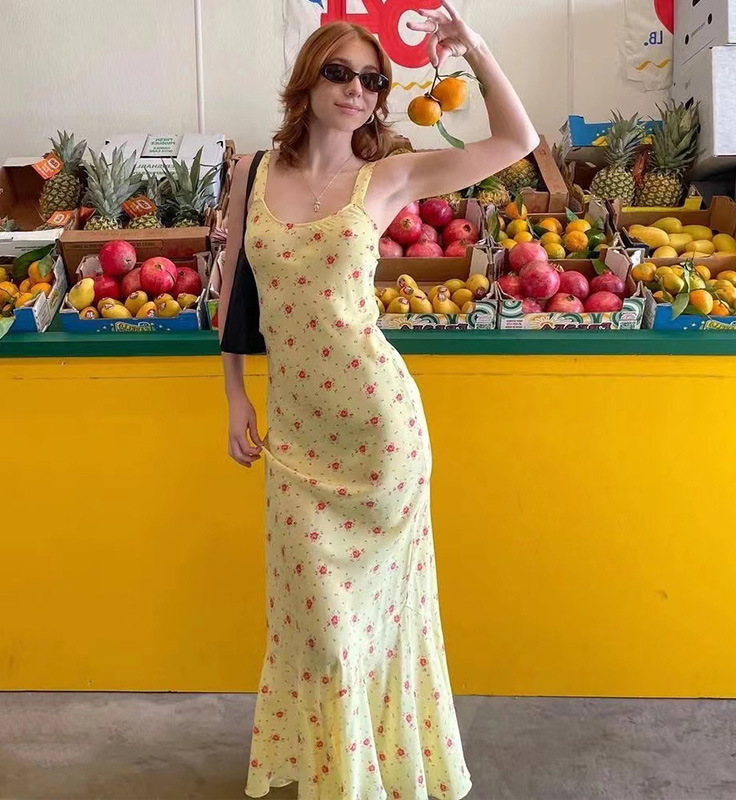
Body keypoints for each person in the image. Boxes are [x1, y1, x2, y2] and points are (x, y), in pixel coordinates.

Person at [219, 2, 538, 797]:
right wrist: (234, 395)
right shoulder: (252, 172)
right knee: (320, 633)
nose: (356, 90)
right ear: (306, 80)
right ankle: (335, 772)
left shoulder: (389, 176)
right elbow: (235, 290)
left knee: (366, 633)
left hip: (380, 433)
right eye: (340, 72)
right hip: (295, 436)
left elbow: (516, 141)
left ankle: (366, 778)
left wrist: (475, 48)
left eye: (372, 80)